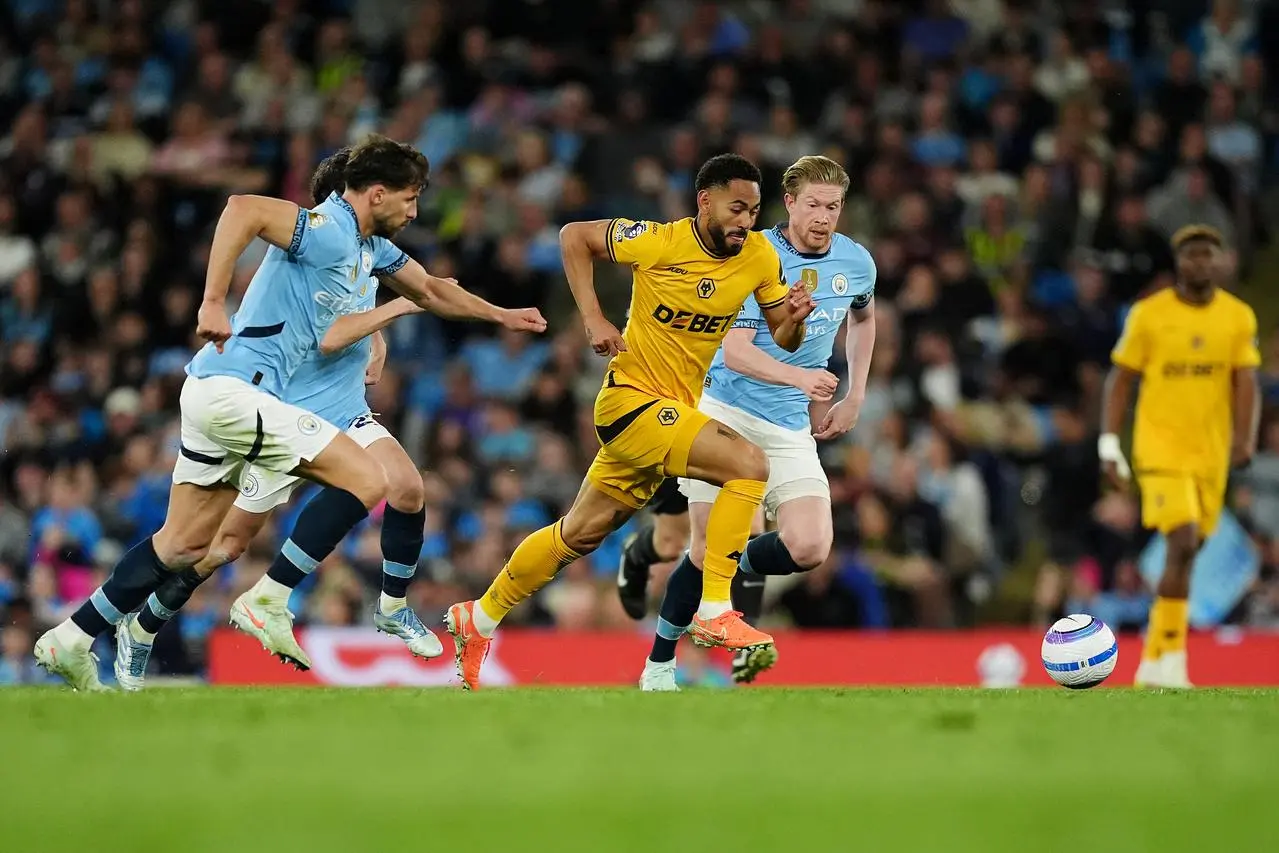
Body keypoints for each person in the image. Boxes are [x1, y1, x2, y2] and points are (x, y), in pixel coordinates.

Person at [34, 135, 545, 691]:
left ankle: (73, 636)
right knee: (367, 480)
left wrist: (501, 315)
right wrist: (212, 301)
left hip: (215, 394)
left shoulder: (369, 251)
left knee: (184, 545)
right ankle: (269, 598)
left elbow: (430, 290)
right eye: (411, 197)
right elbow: (242, 208)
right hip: (242, 394)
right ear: (377, 194)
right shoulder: (326, 230)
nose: (415, 211)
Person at [443, 154, 816, 689]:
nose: (746, 221)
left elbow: (784, 333)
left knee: (578, 534)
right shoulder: (659, 241)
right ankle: (715, 608)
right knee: (748, 464)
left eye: (754, 211)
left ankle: (478, 617)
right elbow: (574, 236)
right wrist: (593, 318)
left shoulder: (759, 255)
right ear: (705, 201)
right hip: (630, 404)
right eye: (736, 208)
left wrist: (795, 320)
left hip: (669, 416)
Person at [633, 155, 877, 690]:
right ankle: (659, 664)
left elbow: (863, 318)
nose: (823, 216)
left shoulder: (857, 262)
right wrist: (800, 378)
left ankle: (725, 563)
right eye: (813, 204)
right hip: (725, 413)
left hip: (788, 427)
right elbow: (736, 351)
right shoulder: (753, 255)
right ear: (789, 203)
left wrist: (856, 394)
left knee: (810, 547)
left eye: (833, 206)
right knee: (705, 550)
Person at [1100, 224, 1260, 688]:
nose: (1200, 262)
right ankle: (1173, 658)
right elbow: (1120, 379)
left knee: (1190, 552)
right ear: (1177, 262)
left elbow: (1245, 380)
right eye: (1191, 255)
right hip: (1161, 451)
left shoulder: (1237, 317)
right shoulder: (1149, 315)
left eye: (1208, 254)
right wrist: (1109, 443)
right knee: (1183, 541)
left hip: (1209, 455)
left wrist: (1244, 439)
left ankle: (1155, 656)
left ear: (1221, 260)